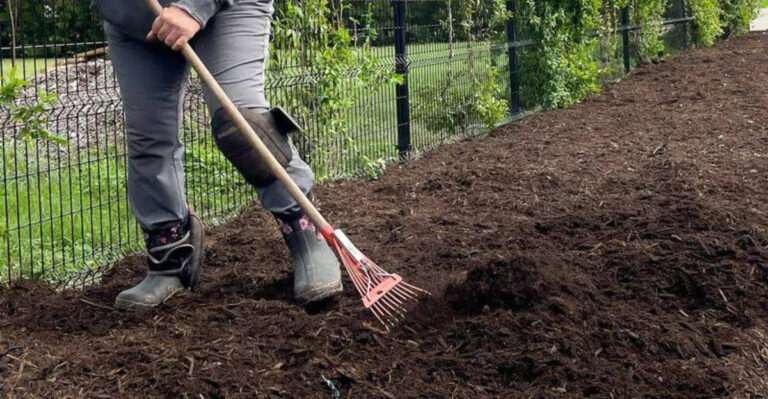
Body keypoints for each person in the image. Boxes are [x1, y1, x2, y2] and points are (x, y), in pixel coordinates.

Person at [91, 0, 343, 309]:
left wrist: (194, 6)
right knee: (148, 138)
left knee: (241, 126)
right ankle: (170, 256)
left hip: (227, 8)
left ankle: (306, 234)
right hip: (135, 17)